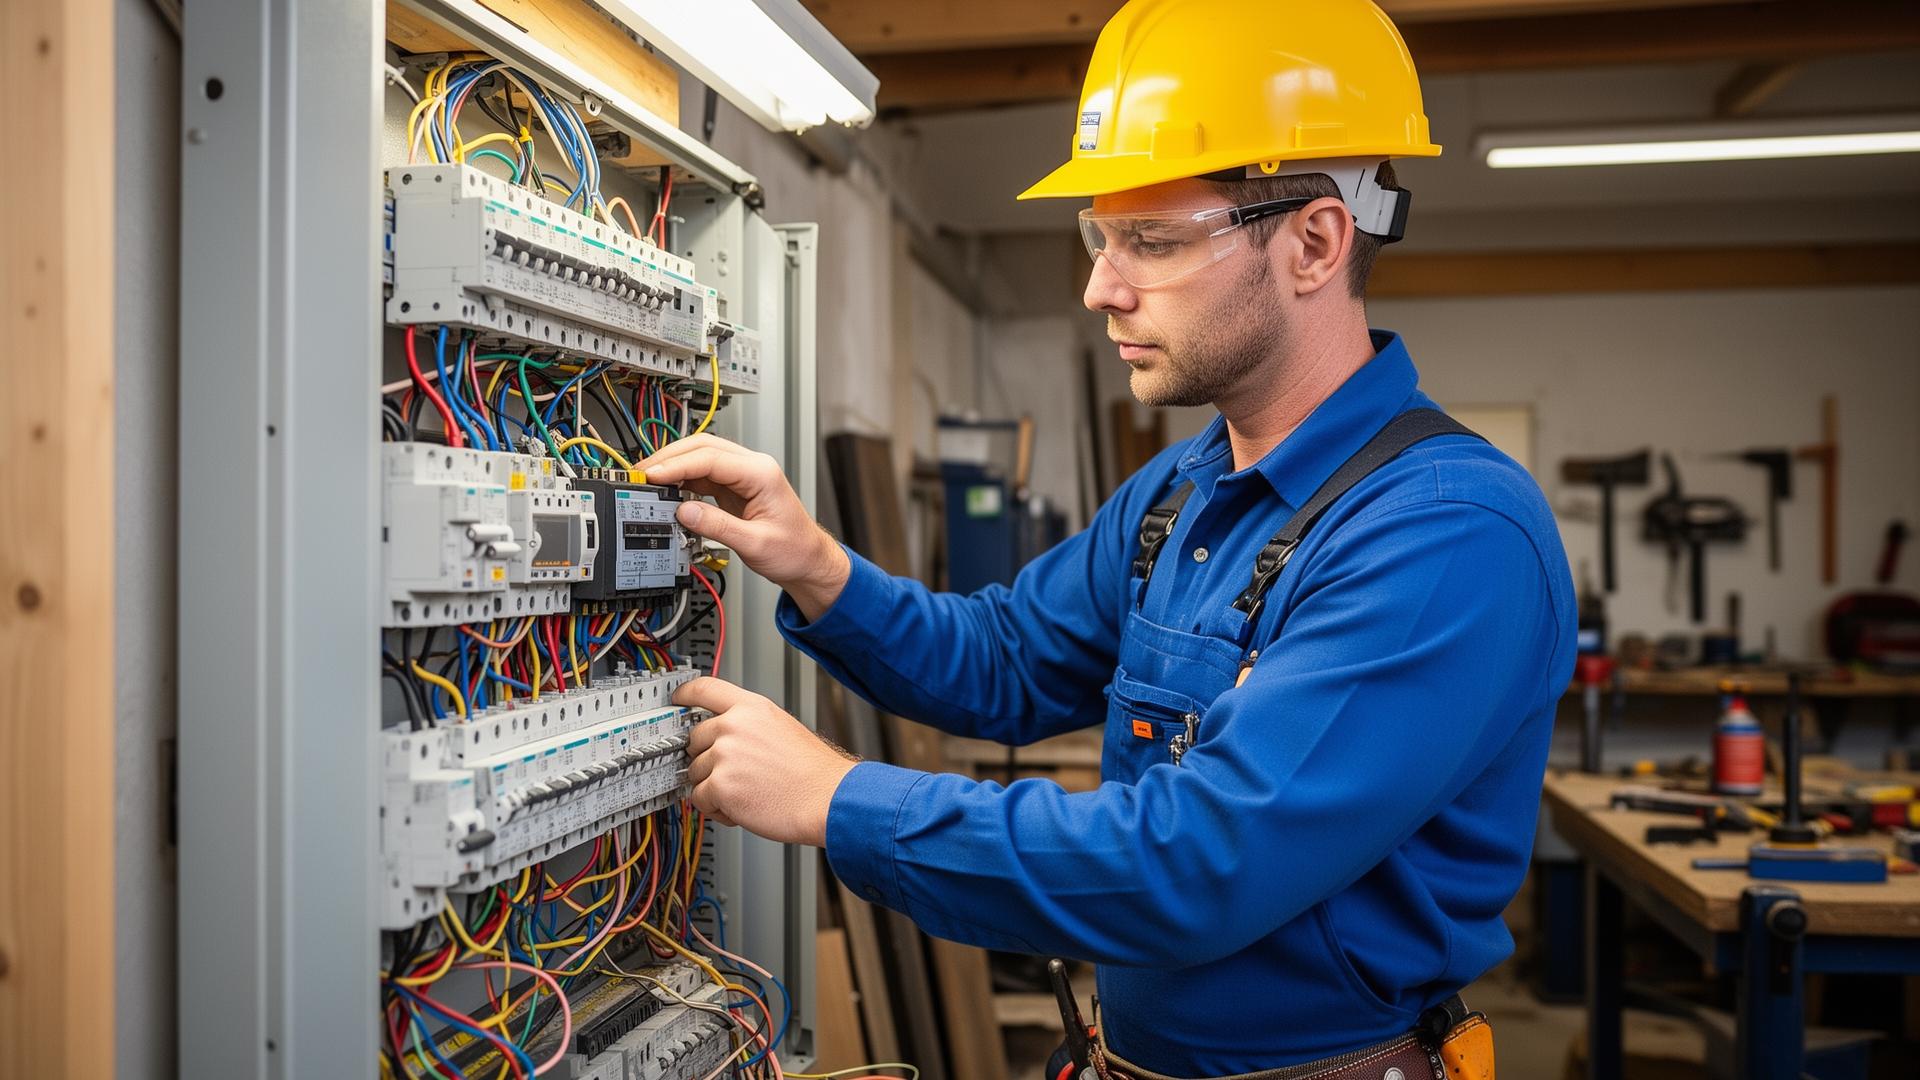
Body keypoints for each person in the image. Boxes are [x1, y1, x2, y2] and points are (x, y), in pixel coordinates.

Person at [645, 0, 1575, 1075]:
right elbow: (1004, 662)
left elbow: (1198, 866)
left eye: (1152, 241)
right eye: (1099, 236)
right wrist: (819, 569)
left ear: (1315, 242)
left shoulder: (1447, 537)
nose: (1100, 287)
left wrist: (839, 797)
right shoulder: (1182, 494)